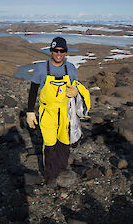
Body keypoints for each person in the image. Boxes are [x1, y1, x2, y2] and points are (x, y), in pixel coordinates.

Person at [26, 37, 90, 185]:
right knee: (49, 144)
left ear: (65, 52)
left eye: (61, 51)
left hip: (65, 112)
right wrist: (30, 111)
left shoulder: (71, 68)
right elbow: (34, 90)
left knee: (64, 143)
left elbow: (77, 87)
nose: (58, 54)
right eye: (55, 50)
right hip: (48, 112)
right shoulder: (42, 68)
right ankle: (50, 177)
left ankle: (62, 171)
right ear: (51, 51)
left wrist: (76, 92)